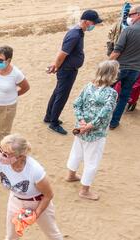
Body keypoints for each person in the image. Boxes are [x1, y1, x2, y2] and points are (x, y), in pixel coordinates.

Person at [66, 61, 119, 201]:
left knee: (76, 152)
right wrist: (90, 126)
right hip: (96, 133)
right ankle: (84, 190)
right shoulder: (111, 93)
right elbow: (105, 113)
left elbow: (77, 104)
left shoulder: (88, 86)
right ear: (113, 75)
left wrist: (81, 121)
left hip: (80, 128)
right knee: (92, 161)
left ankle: (71, 175)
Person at [44, 10, 103, 135]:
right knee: (61, 96)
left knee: (57, 93)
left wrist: (56, 66)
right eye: (93, 22)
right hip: (67, 71)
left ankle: (49, 117)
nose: (94, 25)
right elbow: (62, 54)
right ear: (86, 21)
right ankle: (53, 123)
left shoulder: (78, 32)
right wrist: (56, 66)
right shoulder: (75, 35)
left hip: (67, 69)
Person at [0, 46, 30, 159]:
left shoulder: (16, 74)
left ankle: (3, 152)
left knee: (5, 131)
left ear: (8, 60)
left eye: (0, 60)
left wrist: (13, 94)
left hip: (8, 106)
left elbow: (25, 87)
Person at [109, 5, 140, 129]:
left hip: (120, 67)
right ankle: (114, 122)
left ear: (138, 15)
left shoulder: (128, 30)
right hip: (135, 70)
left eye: (131, 14)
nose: (129, 17)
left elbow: (117, 50)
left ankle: (99, 117)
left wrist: (107, 64)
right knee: (124, 97)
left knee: (105, 89)